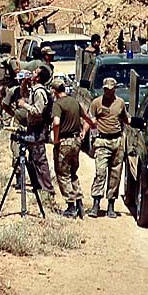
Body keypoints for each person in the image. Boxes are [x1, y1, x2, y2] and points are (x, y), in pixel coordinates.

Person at [11, 69, 56, 204]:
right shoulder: (34, 90)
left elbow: (38, 111)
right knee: (34, 159)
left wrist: (24, 105)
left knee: (40, 160)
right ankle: (39, 186)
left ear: (38, 77)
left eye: (35, 72)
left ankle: (47, 189)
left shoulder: (39, 92)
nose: (32, 73)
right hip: (34, 129)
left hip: (38, 130)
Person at [51, 79, 94, 218]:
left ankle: (70, 206)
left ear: (54, 91)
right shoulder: (74, 101)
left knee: (63, 173)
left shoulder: (58, 104)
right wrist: (88, 128)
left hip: (64, 142)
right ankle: (79, 200)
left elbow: (56, 123)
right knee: (73, 172)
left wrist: (56, 138)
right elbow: (86, 116)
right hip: (76, 142)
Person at [88, 77, 128, 218]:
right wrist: (90, 129)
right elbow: (90, 118)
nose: (107, 92)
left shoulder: (120, 103)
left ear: (114, 90)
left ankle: (111, 204)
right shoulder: (97, 103)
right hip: (102, 141)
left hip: (116, 141)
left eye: (110, 90)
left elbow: (125, 118)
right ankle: (96, 204)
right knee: (101, 173)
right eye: (105, 89)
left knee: (115, 174)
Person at [0, 43, 19, 128]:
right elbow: (16, 71)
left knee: (2, 104)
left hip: (1, 85)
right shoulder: (10, 60)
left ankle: (2, 122)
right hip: (10, 86)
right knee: (11, 105)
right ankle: (8, 124)